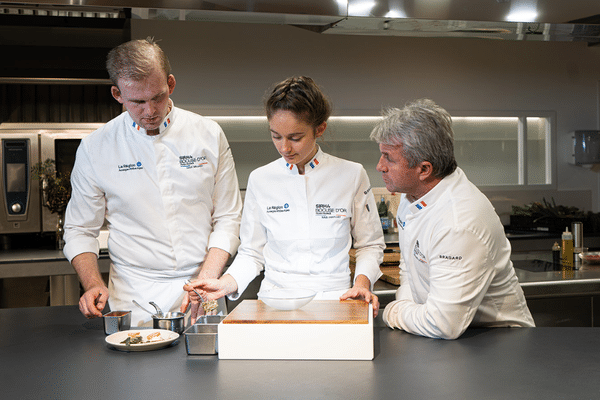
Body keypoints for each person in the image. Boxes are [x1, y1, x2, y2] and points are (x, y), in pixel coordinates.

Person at [63, 38, 242, 326]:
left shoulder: (208, 134)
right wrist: (92, 283)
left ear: (170, 84)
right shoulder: (96, 147)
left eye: (157, 97)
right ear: (117, 94)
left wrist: (207, 277)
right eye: (137, 102)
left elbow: (229, 216)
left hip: (202, 285)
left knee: (208, 368)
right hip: (135, 294)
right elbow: (80, 229)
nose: (150, 111)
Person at [184, 76, 385, 319]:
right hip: (275, 301)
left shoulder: (352, 175)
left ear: (320, 128)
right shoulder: (261, 179)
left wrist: (361, 284)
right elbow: (252, 252)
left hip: (335, 299)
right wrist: (227, 282)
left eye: (295, 137)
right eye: (276, 136)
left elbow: (370, 245)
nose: (284, 148)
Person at [371, 98, 535, 339]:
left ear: (424, 169)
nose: (379, 166)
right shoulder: (412, 198)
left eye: (389, 158)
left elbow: (443, 324)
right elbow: (409, 268)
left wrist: (392, 312)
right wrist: (407, 306)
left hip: (497, 341)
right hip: (441, 334)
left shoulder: (457, 222)